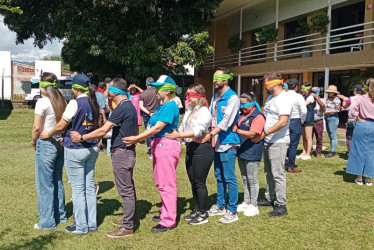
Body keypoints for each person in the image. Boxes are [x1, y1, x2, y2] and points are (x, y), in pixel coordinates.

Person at [70, 78, 138, 238]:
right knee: (128, 188)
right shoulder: (126, 106)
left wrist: (82, 137)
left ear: (115, 92)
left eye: (108, 89)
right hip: (125, 151)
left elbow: (103, 130)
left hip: (122, 153)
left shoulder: (122, 108)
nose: (106, 92)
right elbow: (111, 131)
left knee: (125, 190)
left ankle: (128, 227)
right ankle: (129, 219)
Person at [40, 73, 100, 234]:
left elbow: (61, 125)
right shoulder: (93, 101)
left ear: (74, 88)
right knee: (89, 188)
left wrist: (49, 134)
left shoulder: (75, 103)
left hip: (76, 149)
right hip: (92, 147)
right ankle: (91, 223)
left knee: (78, 189)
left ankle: (81, 226)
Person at [123, 75, 180, 233]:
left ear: (168, 91)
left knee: (167, 184)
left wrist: (136, 138)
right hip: (159, 145)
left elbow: (157, 128)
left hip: (165, 146)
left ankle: (168, 220)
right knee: (160, 182)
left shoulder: (170, 106)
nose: (155, 91)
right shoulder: (163, 105)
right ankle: (165, 211)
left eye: (159, 88)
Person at [165, 83, 214, 225]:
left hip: (202, 149)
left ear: (199, 97)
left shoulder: (204, 111)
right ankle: (196, 208)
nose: (187, 98)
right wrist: (179, 133)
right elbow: (183, 126)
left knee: (199, 181)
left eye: (190, 96)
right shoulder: (190, 109)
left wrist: (179, 135)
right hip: (191, 147)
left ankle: (202, 212)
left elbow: (198, 131)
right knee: (193, 181)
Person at [199, 67, 240, 224]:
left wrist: (210, 134)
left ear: (227, 79)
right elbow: (212, 117)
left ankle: (232, 210)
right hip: (216, 142)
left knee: (229, 177)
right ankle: (221, 205)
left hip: (228, 142)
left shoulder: (233, 98)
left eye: (218, 78)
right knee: (218, 175)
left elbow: (226, 122)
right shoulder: (216, 96)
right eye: (214, 78)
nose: (215, 81)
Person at [31, 72, 67, 230]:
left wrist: (34, 141)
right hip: (60, 143)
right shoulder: (62, 101)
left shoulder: (42, 102)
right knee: (57, 180)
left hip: (46, 143)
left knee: (45, 183)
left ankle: (47, 221)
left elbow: (37, 127)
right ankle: (61, 215)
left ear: (43, 86)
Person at [254, 72, 292, 217]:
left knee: (278, 174)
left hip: (279, 141)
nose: (265, 87)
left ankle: (281, 205)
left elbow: (282, 122)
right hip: (268, 140)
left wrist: (265, 133)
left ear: (276, 83)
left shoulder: (285, 99)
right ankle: (269, 197)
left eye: (267, 83)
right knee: (268, 171)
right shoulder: (271, 98)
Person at [232, 92, 265, 217]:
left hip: (252, 151)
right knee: (245, 178)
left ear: (252, 103)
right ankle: (246, 201)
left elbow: (253, 133)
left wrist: (237, 130)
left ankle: (254, 204)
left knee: (252, 179)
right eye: (241, 103)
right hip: (242, 150)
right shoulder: (243, 115)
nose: (242, 106)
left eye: (244, 103)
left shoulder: (258, 116)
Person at [346, 78, 374, 186]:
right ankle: (369, 178)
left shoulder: (360, 98)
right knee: (372, 152)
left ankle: (359, 177)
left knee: (358, 150)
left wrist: (357, 117)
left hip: (362, 124)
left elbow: (351, 110)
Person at [285, 78, 306, 173]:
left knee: (284, 143)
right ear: (296, 87)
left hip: (284, 120)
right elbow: (304, 111)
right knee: (293, 145)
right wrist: (302, 121)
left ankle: (283, 162)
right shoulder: (299, 97)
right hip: (295, 120)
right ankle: (291, 165)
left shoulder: (283, 96)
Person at [139, 77, 161, 159]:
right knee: (157, 130)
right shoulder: (157, 93)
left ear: (146, 84)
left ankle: (150, 151)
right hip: (157, 114)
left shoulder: (143, 94)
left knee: (148, 132)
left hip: (147, 115)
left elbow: (141, 106)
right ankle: (157, 148)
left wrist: (149, 113)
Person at [338, 84, 363, 155]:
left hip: (352, 120)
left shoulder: (351, 99)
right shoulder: (366, 98)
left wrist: (343, 99)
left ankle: (351, 153)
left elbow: (344, 106)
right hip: (362, 121)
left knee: (350, 137)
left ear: (355, 91)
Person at [297, 82, 315, 160]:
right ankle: (304, 152)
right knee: (303, 137)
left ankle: (308, 153)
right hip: (303, 118)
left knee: (308, 137)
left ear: (308, 89)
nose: (302, 90)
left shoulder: (310, 97)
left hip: (309, 118)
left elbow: (304, 104)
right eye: (301, 88)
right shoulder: (303, 96)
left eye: (303, 89)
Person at [323, 85, 342, 158]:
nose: (329, 93)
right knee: (330, 134)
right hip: (327, 117)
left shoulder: (337, 100)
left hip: (333, 118)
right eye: (329, 92)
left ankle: (333, 150)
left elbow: (337, 110)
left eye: (331, 92)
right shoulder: (328, 99)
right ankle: (331, 149)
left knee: (333, 134)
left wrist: (328, 111)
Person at [310, 87, 325, 158]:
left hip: (318, 120)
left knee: (319, 137)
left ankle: (318, 152)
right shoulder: (309, 99)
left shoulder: (321, 99)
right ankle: (309, 150)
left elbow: (322, 106)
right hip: (310, 120)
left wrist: (316, 98)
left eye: (315, 92)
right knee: (309, 137)